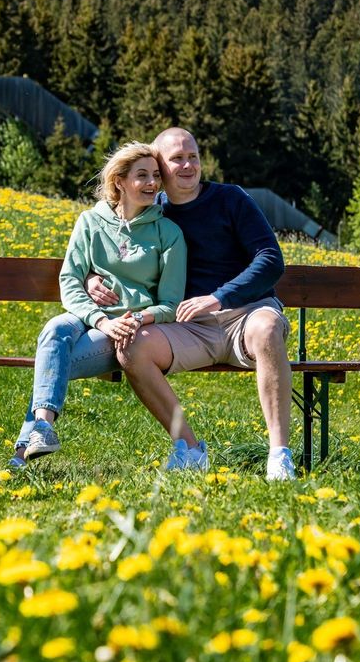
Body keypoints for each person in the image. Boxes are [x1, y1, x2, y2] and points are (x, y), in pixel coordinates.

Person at [88, 127, 296, 480]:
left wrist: (218, 297)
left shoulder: (231, 199)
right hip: (188, 328)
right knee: (132, 348)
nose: (187, 165)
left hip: (246, 316)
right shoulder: (153, 214)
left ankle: (279, 456)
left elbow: (270, 259)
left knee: (268, 328)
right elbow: (111, 251)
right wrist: (92, 278)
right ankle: (191, 449)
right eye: (176, 158)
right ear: (160, 167)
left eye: (193, 156)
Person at [11, 142, 187, 466]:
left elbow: (171, 304)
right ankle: (41, 433)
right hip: (88, 318)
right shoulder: (90, 222)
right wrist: (98, 317)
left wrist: (135, 320)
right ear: (119, 181)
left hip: (127, 327)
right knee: (54, 329)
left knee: (52, 364)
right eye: (142, 176)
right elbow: (70, 280)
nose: (152, 184)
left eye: (156, 176)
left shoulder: (168, 233)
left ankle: (24, 452)